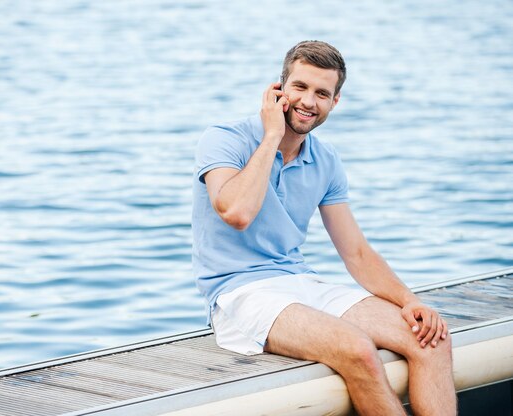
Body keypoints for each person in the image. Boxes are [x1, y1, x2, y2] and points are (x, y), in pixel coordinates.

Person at [191, 40, 456, 415]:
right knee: (358, 350)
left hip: (300, 281)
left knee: (431, 340)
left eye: (322, 93)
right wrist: (271, 137)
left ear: (335, 102)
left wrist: (410, 301)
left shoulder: (325, 158)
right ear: (278, 89)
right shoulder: (225, 139)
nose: (309, 102)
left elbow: (356, 253)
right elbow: (236, 212)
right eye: (300, 87)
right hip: (239, 292)